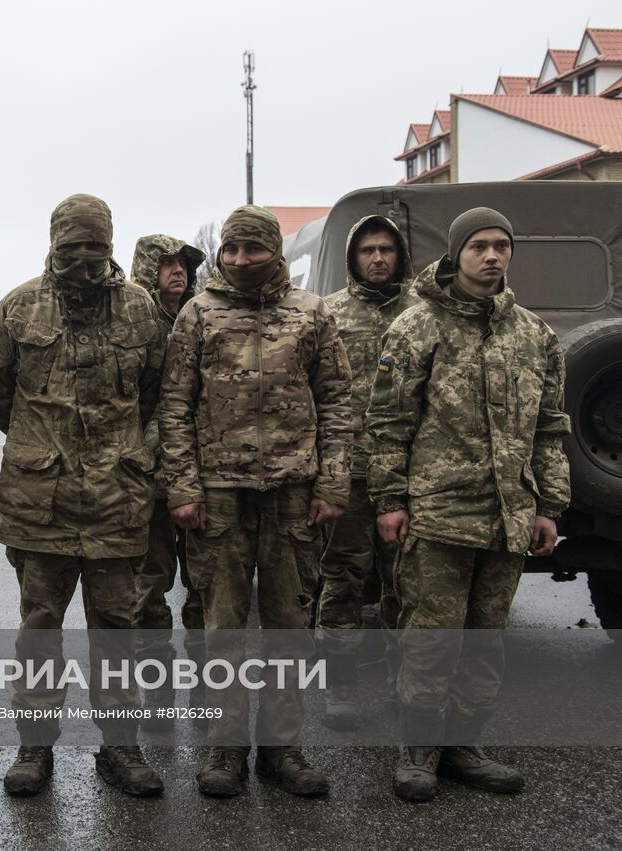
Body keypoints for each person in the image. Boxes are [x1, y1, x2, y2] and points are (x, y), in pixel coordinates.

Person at [367, 208, 569, 803]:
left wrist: (548, 505)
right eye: (479, 245)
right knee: (430, 641)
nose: (492, 256)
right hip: (437, 514)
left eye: (502, 245)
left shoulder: (535, 335)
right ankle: (418, 753)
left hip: (508, 516)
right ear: (457, 254)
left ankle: (463, 748)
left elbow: (550, 429)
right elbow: (386, 422)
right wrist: (389, 498)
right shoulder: (415, 327)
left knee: (485, 644)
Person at [158, 205, 352, 798]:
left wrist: (333, 481)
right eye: (233, 250)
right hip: (219, 494)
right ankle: (225, 747)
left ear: (273, 252)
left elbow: (339, 402)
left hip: (293, 494)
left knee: (290, 626)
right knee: (223, 628)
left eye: (254, 250)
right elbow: (174, 407)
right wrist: (184, 486)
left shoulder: (311, 313)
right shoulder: (198, 312)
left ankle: (283, 747)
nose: (241, 260)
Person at [0, 194, 166, 798]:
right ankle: (34, 748)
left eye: (95, 246)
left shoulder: (140, 309)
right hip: (43, 502)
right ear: (54, 241)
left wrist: (131, 453)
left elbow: (159, 392)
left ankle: (122, 749)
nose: (84, 257)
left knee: (117, 627)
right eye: (73, 245)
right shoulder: (18, 306)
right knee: (39, 628)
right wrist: (44, 445)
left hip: (118, 499)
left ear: (111, 244)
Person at [314, 215, 418, 730]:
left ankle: (405, 688)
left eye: (387, 250)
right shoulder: (328, 314)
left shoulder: (424, 316)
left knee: (408, 586)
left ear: (400, 256)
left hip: (409, 476)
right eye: (367, 250)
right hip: (350, 476)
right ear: (352, 258)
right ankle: (341, 687)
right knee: (342, 582)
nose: (378, 258)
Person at [128, 234, 206, 721]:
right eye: (167, 265)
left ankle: (205, 682)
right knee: (149, 587)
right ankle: (155, 687)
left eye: (183, 264)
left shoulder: (203, 315)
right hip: (150, 479)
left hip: (203, 474)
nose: (177, 272)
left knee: (206, 584)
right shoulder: (136, 323)